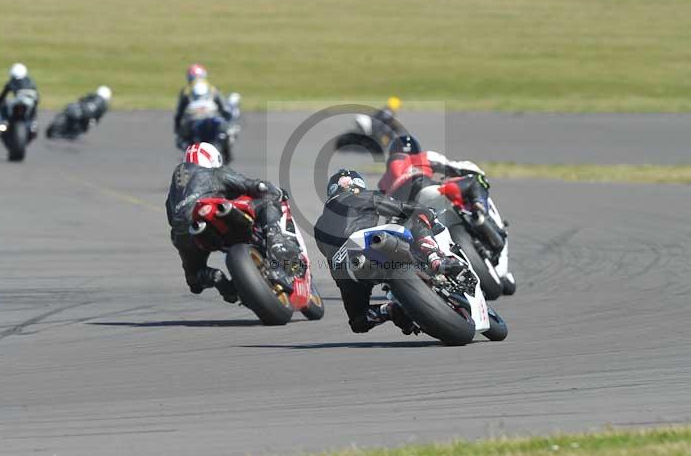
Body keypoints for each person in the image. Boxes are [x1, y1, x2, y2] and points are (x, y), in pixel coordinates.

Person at [314, 169, 466, 335]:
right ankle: (435, 259)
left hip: (344, 271)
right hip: (368, 243)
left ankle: (389, 310)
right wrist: (426, 211)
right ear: (358, 185)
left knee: (359, 321)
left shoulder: (319, 225)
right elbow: (401, 208)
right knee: (416, 217)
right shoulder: (363, 196)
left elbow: (326, 254)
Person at [166, 142, 301, 302]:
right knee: (268, 201)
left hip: (183, 234)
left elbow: (172, 219)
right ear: (212, 159)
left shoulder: (172, 195)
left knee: (194, 278)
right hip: (216, 214)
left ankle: (218, 280)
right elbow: (254, 186)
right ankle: (276, 241)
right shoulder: (215, 172)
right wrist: (276, 192)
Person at [379, 134, 509, 264]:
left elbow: (384, 207)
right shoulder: (423, 157)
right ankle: (481, 213)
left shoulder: (384, 181)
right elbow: (464, 167)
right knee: (475, 180)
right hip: (429, 193)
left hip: (405, 217)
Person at [0, 63, 39, 137]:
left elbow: (2, 95)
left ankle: (3, 122)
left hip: (21, 102)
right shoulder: (30, 81)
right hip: (29, 102)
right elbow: (37, 97)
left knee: (4, 104)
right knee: (33, 107)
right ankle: (33, 123)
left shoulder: (12, 81)